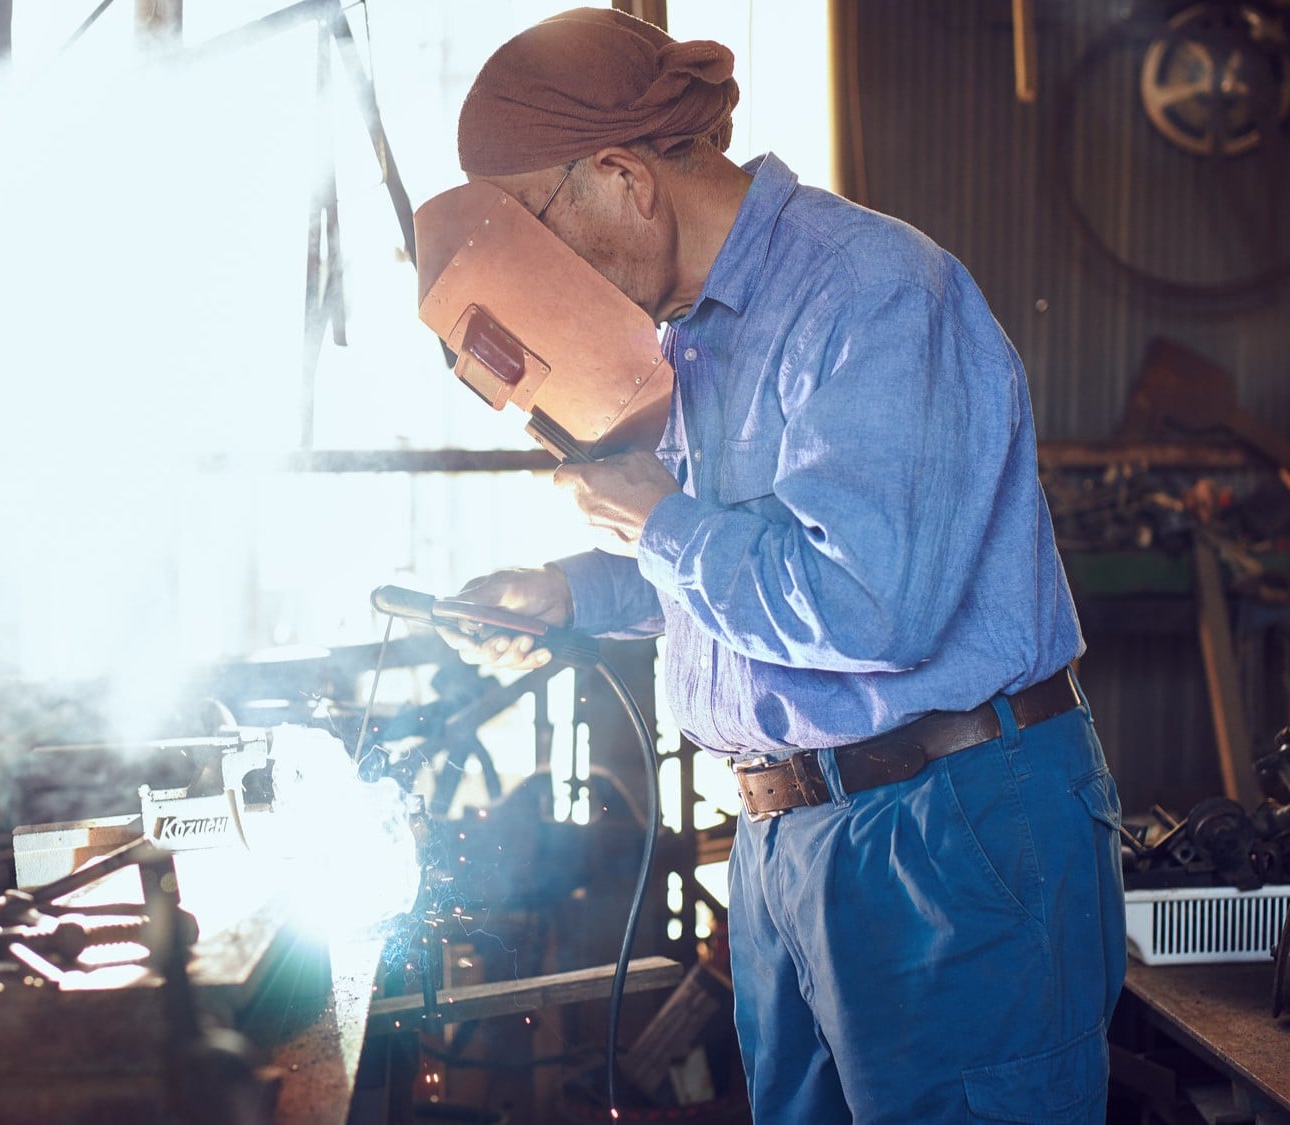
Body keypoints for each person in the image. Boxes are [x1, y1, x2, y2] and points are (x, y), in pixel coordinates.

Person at [433, 9, 1127, 1124]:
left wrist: (658, 523)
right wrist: (569, 591)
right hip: (787, 845)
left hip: (942, 836)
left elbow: (863, 605)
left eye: (532, 230)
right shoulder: (696, 338)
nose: (535, 276)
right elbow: (735, 573)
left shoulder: (872, 294)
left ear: (620, 175)